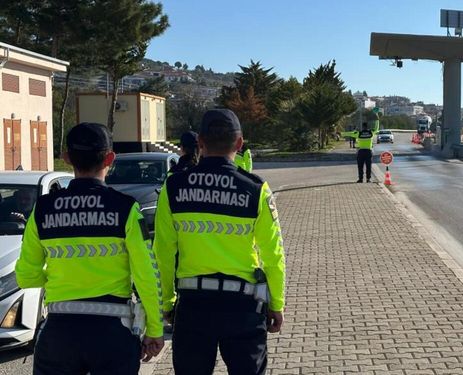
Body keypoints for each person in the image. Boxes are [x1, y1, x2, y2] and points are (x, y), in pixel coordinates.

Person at [15, 123, 164, 375]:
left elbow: (25, 276)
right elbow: (146, 274)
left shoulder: (42, 209)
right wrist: (155, 330)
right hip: (113, 334)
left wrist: (60, 278)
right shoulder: (125, 208)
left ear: (66, 158)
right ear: (110, 158)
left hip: (59, 333)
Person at [154, 109, 286, 375]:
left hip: (193, 307)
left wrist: (167, 303)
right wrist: (277, 303)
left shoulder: (174, 187)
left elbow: (163, 252)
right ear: (239, 144)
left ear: (200, 142)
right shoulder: (255, 189)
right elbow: (273, 254)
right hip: (243, 308)